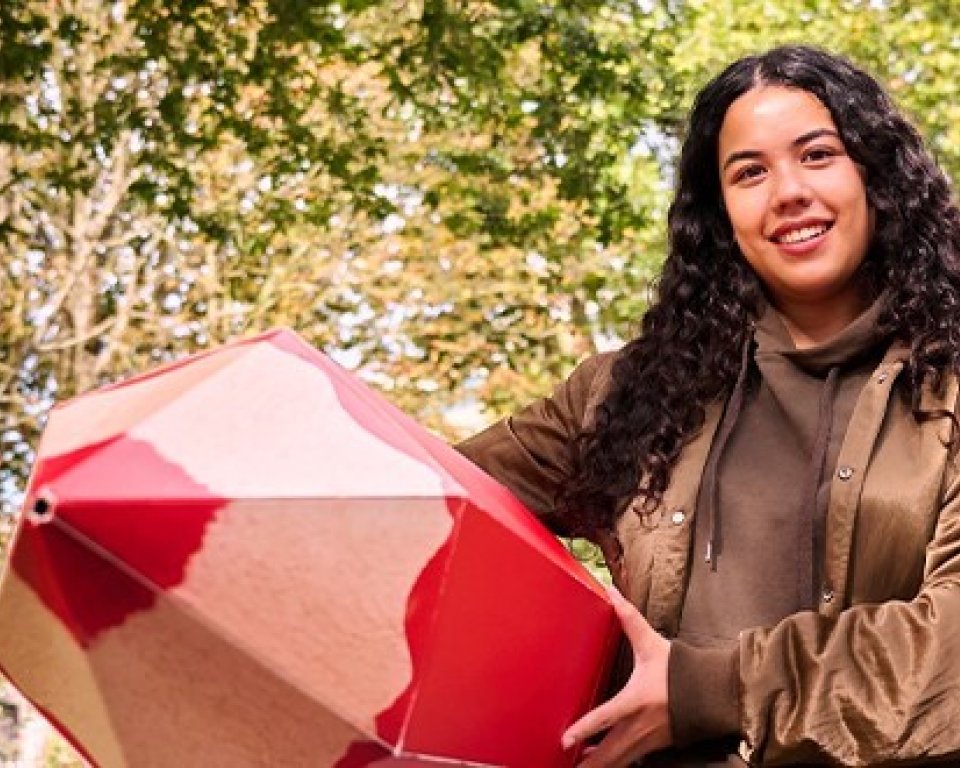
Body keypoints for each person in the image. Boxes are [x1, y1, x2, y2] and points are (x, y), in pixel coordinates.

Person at [457, 45, 960, 766]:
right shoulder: (627, 392)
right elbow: (432, 503)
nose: (787, 192)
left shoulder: (950, 383)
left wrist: (704, 688)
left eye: (817, 155)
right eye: (749, 172)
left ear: (875, 174)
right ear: (721, 212)